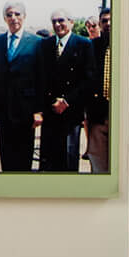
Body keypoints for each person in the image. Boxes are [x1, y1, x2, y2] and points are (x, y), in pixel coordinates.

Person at [0, 3, 45, 173]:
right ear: (4, 18)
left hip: (26, 109)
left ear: (24, 16)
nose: (13, 18)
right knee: (6, 155)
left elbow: (41, 78)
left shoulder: (37, 43)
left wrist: (39, 110)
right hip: (3, 109)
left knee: (24, 156)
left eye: (17, 14)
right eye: (9, 14)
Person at [40, 11, 94, 173]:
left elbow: (88, 79)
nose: (57, 25)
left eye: (61, 20)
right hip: (50, 110)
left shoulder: (83, 44)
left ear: (71, 22)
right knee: (49, 160)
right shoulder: (45, 44)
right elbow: (40, 77)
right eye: (54, 21)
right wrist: (50, 103)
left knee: (68, 159)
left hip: (71, 110)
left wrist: (66, 101)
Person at [84, 8, 111, 173]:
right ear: (100, 24)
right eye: (104, 21)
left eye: (111, 20)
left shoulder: (128, 46)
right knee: (98, 163)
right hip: (98, 114)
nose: (108, 23)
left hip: (120, 115)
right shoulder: (92, 47)